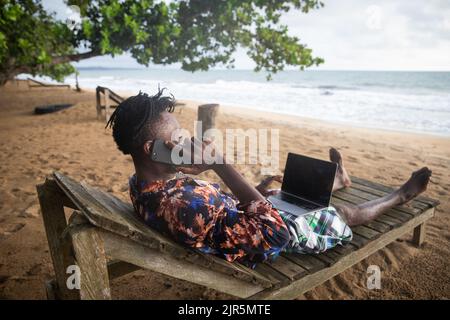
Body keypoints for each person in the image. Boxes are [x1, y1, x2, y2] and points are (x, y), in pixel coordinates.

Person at [106, 90, 432, 267]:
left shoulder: (146, 184)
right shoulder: (182, 207)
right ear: (151, 148)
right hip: (270, 236)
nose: (186, 140)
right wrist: (219, 162)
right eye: (177, 136)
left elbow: (210, 206)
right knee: (337, 215)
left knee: (280, 191)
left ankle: (338, 180)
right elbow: (274, 233)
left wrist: (253, 192)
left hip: (237, 216)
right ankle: (400, 196)